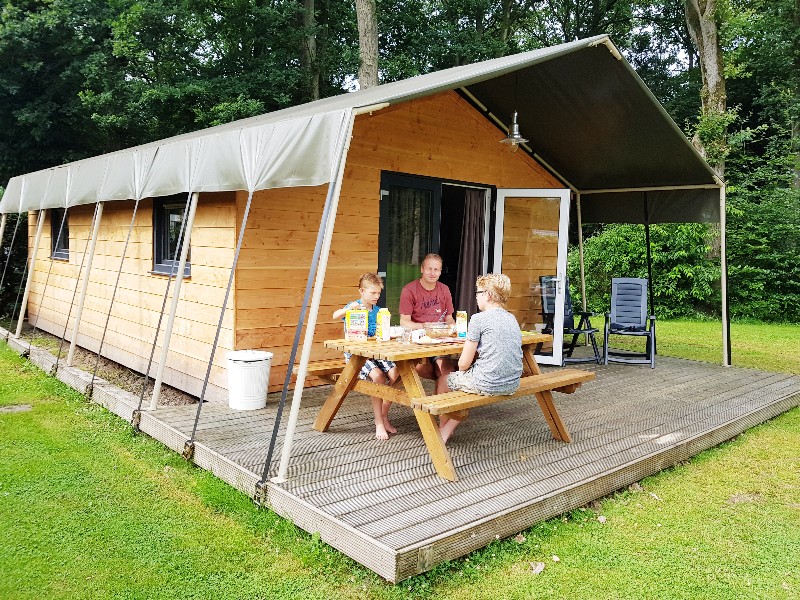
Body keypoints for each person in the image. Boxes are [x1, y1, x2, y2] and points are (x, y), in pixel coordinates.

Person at [440, 273, 523, 444]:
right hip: (512, 383)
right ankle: (448, 426)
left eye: (478, 293)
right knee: (470, 378)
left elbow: (463, 364)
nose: (476, 297)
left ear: (489, 295)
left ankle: (443, 429)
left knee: (443, 380)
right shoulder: (512, 318)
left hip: (488, 383)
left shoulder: (478, 319)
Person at [332, 273, 399, 440]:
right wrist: (348, 310)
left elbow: (380, 334)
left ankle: (383, 414)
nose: (377, 296)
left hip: (375, 352)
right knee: (378, 376)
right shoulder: (354, 307)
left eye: (378, 293)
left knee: (397, 373)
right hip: (357, 355)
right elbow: (335, 316)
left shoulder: (378, 311)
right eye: (373, 293)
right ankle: (378, 422)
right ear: (362, 291)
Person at [398, 253, 456, 394]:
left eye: (436, 270)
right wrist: (425, 326)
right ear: (422, 269)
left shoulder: (445, 289)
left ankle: (441, 408)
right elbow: (404, 321)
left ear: (440, 272)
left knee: (446, 372)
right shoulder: (409, 290)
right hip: (417, 342)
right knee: (413, 371)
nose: (432, 273)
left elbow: (449, 318)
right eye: (429, 269)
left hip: (440, 341)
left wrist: (451, 326)